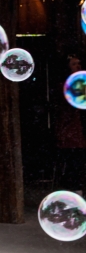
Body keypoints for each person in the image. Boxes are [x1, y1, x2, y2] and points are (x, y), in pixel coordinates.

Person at [54, 54, 86, 196]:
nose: (78, 66)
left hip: (80, 130)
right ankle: (75, 193)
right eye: (74, 64)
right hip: (71, 132)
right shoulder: (64, 86)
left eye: (79, 63)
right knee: (74, 162)